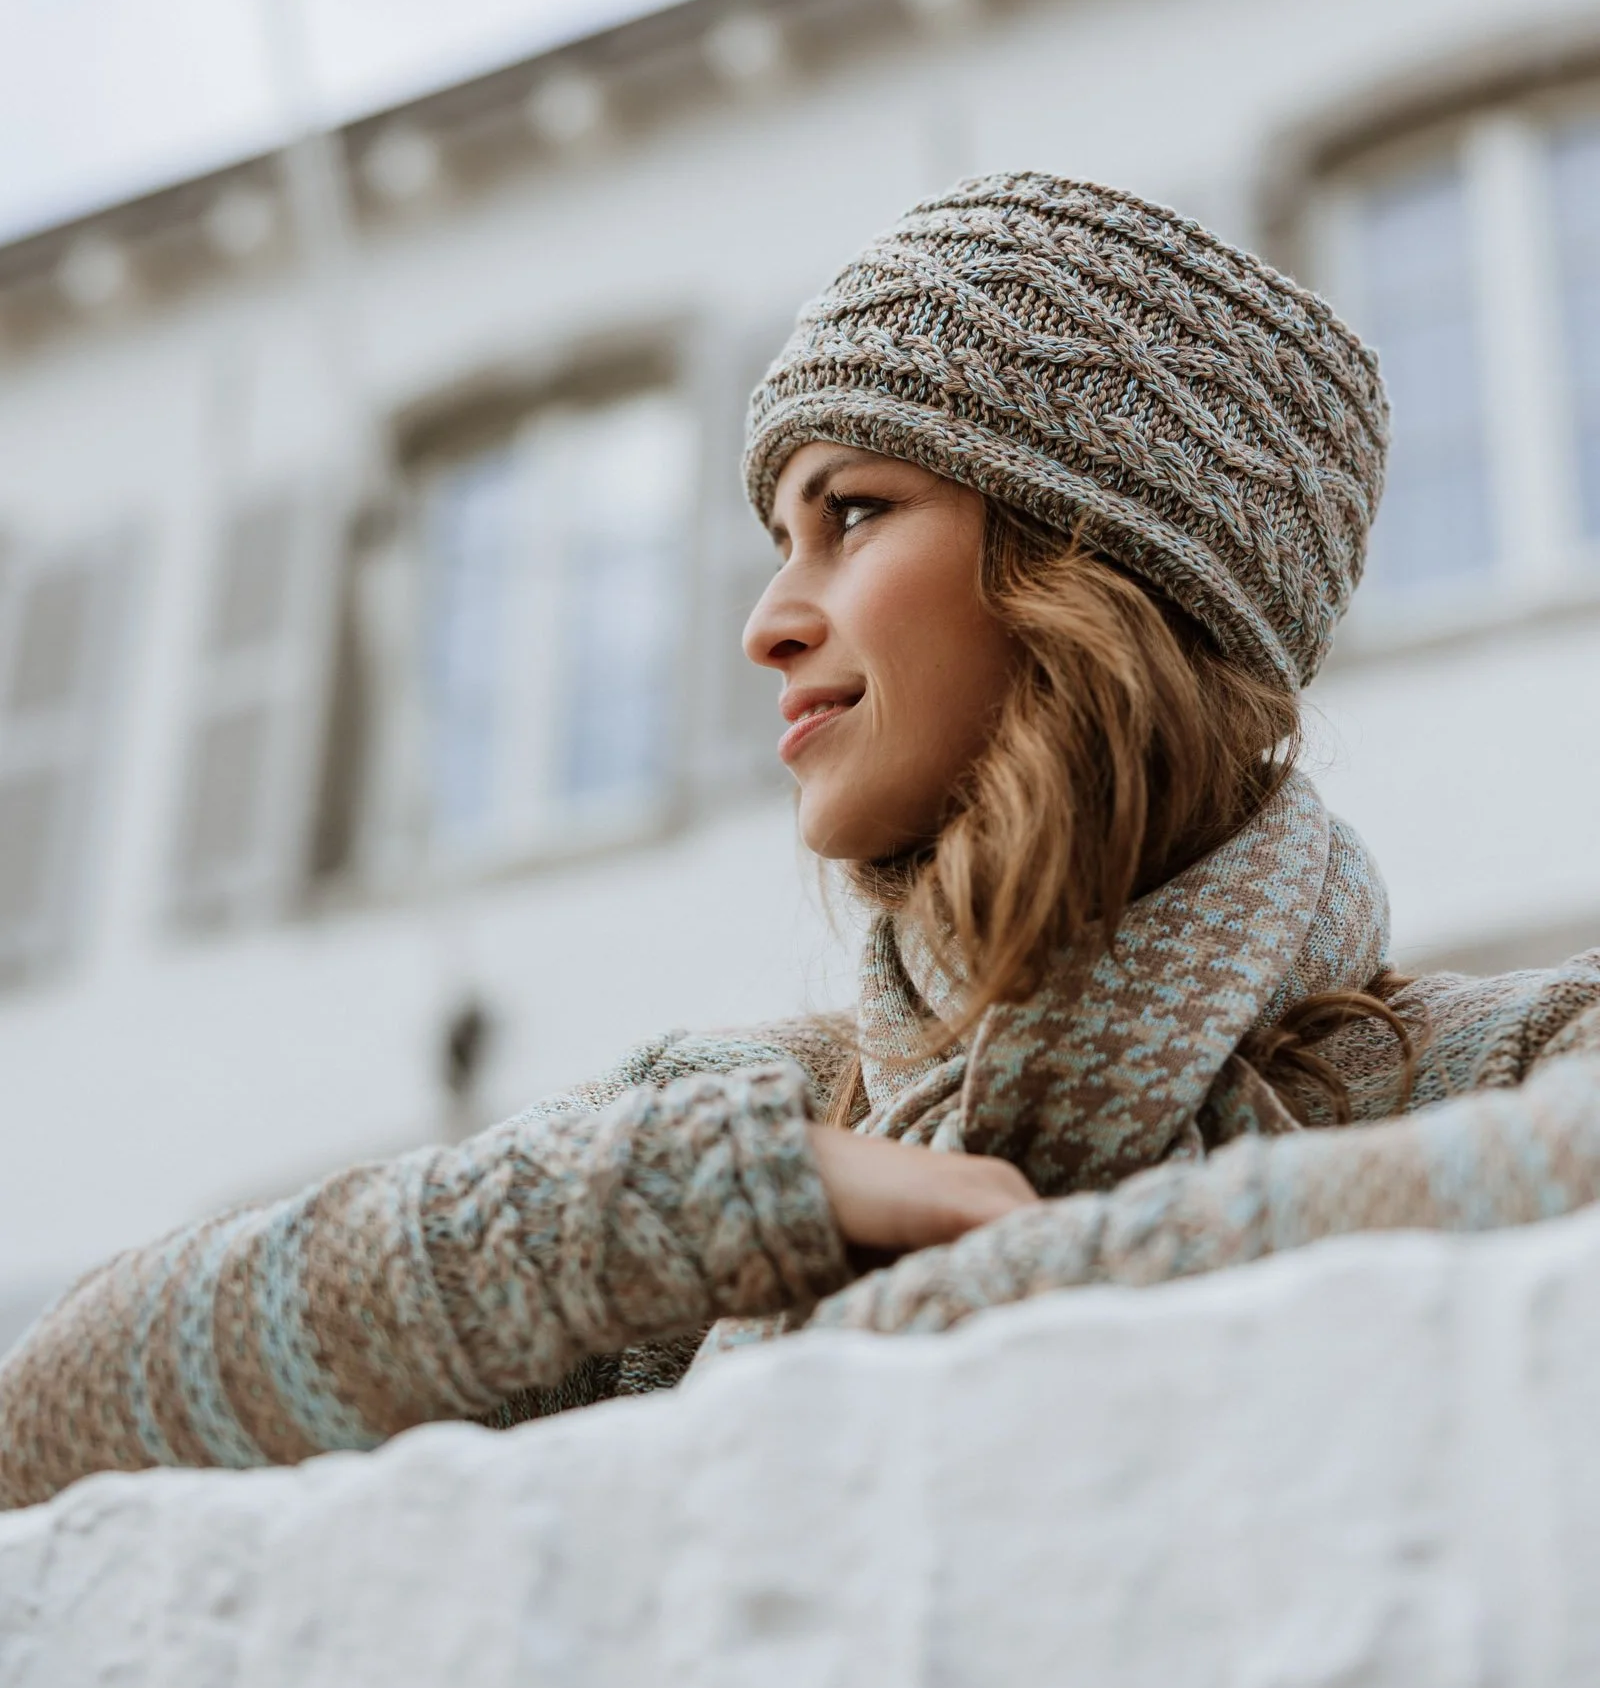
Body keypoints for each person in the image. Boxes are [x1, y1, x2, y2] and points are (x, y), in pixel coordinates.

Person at [6, 169, 1600, 1512]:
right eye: (781, 539)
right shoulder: (739, 1147)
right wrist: (669, 1212)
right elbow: (47, 1420)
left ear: (1093, 564)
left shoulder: (1486, 1065)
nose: (770, 623)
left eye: (852, 514)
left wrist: (978, 1284)